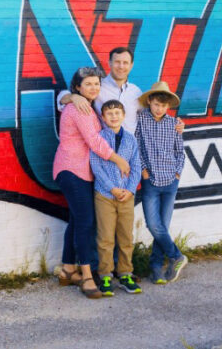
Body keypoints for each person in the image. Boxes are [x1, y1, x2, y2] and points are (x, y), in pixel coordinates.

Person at [53, 67, 132, 299]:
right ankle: (87, 275)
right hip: (72, 170)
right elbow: (94, 141)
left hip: (78, 171)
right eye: (88, 84)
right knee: (86, 223)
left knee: (77, 221)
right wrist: (118, 159)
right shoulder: (80, 109)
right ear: (77, 87)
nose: (94, 88)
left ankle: (68, 269)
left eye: (96, 83)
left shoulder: (87, 106)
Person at [57, 47, 182, 135]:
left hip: (131, 152)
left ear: (131, 65)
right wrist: (73, 97)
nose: (121, 66)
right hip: (104, 150)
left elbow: (152, 115)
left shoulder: (136, 92)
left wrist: (175, 124)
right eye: (117, 62)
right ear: (109, 63)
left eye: (125, 63)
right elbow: (61, 98)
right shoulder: (98, 87)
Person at [134, 80, 188, 285]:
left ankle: (156, 268)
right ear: (150, 101)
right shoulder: (141, 120)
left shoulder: (173, 124)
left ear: (168, 107)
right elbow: (136, 147)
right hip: (151, 181)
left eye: (164, 106)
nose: (160, 108)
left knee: (163, 226)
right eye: (156, 104)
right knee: (153, 224)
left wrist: (177, 173)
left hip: (171, 181)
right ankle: (176, 256)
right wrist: (144, 172)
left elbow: (179, 152)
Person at [89, 100, 143, 296]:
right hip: (105, 195)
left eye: (117, 112)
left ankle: (125, 273)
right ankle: (105, 275)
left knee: (125, 236)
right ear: (103, 117)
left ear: (123, 115)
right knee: (105, 237)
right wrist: (112, 189)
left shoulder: (130, 140)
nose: (113, 116)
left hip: (127, 196)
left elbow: (136, 166)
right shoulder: (99, 138)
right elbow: (96, 166)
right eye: (109, 113)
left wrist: (129, 190)